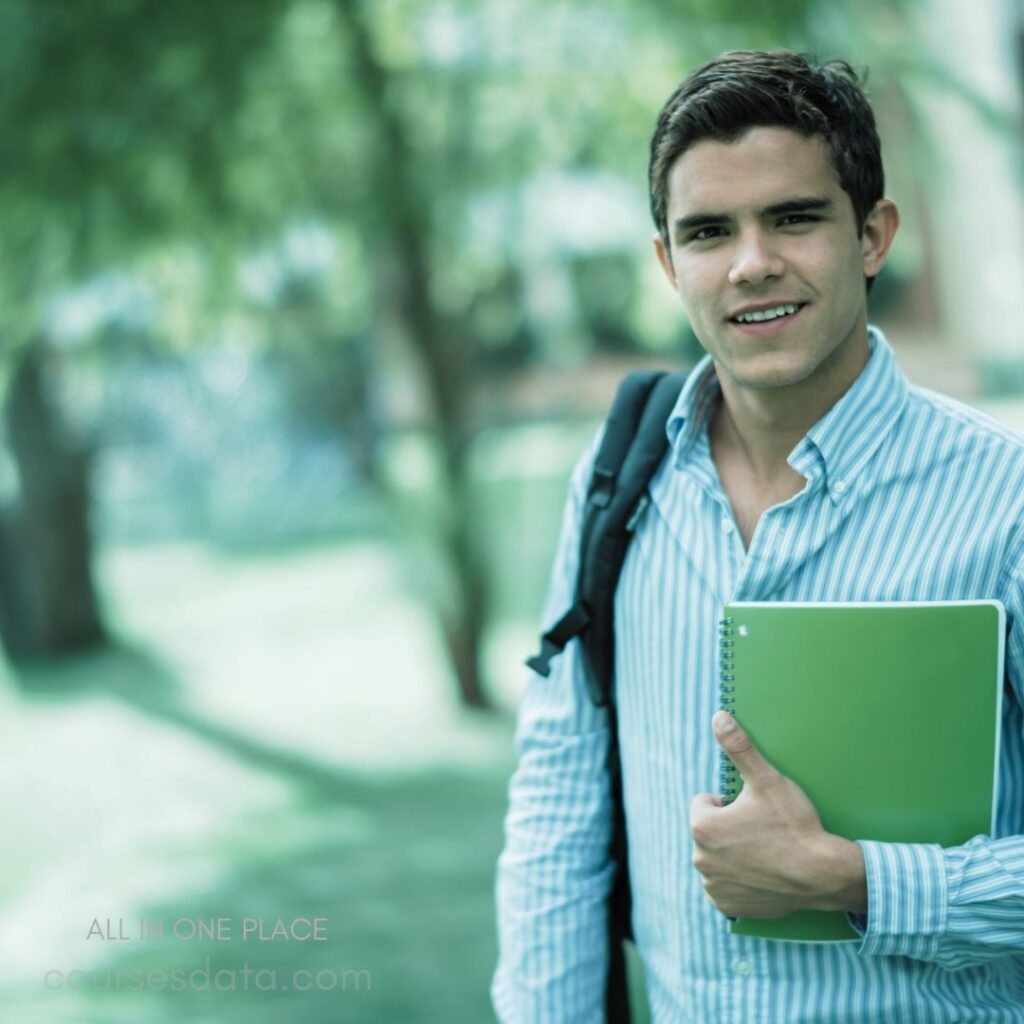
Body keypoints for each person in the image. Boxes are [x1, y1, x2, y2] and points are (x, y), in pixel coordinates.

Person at [492, 49, 1024, 1022]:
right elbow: (559, 808)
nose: (750, 262)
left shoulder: (1007, 502)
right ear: (667, 264)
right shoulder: (617, 481)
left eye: (792, 216)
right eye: (707, 231)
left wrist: (855, 879)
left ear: (872, 236)